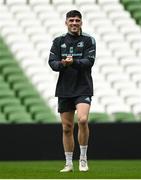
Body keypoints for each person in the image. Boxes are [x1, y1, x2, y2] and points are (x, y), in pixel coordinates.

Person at [48, 10, 96, 172]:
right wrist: (63, 64)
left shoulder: (88, 40)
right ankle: (69, 163)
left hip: (83, 86)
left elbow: (89, 61)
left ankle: (83, 158)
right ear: (66, 23)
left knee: (82, 120)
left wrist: (72, 62)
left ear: (81, 22)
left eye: (77, 20)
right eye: (71, 20)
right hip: (64, 88)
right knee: (67, 127)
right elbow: (53, 63)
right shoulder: (58, 41)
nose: (74, 23)